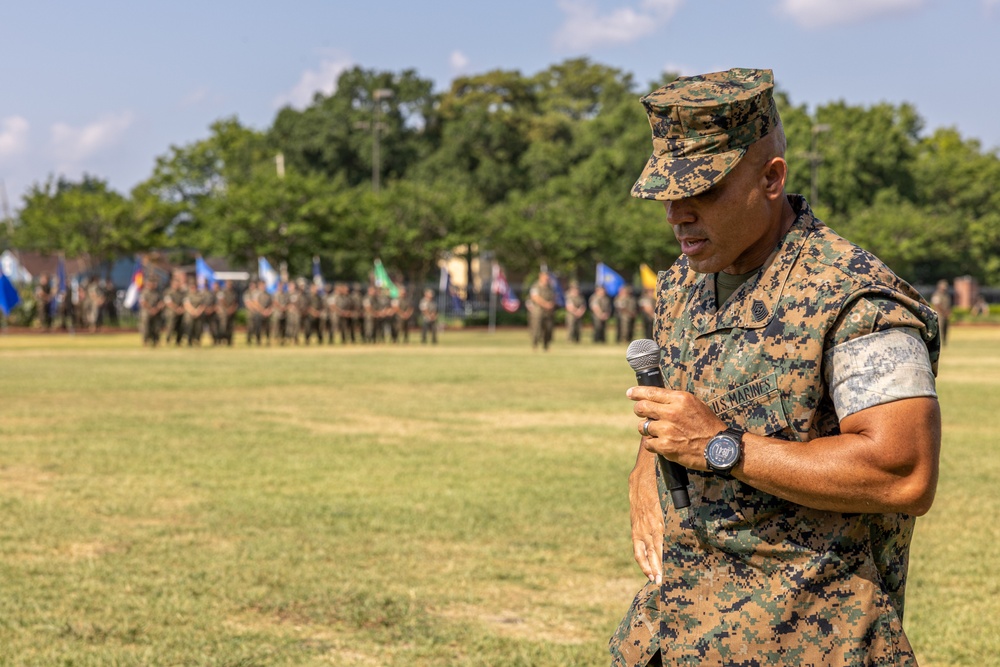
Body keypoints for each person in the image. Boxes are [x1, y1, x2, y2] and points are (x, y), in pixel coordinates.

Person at [609, 68, 941, 667]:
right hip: (670, 632)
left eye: (703, 190)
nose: (677, 214)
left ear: (771, 178)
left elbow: (904, 472)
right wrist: (644, 466)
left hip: (807, 638)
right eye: (667, 192)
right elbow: (682, 404)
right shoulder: (686, 280)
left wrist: (723, 447)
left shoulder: (855, 300)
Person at [527, 271, 557, 350]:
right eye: (545, 277)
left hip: (549, 312)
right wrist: (546, 304)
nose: (547, 279)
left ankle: (546, 345)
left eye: (548, 277)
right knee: (536, 328)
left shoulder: (550, 287)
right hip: (538, 311)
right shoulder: (535, 286)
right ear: (540, 277)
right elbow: (535, 297)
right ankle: (535, 344)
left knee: (548, 328)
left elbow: (554, 296)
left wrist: (552, 304)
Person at [930, 279, 952, 345]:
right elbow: (936, 305)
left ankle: (944, 342)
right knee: (939, 329)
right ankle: (938, 343)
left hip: (945, 315)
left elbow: (948, 305)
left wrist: (948, 312)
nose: (945, 288)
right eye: (943, 286)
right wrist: (943, 312)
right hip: (939, 315)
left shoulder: (947, 295)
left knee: (945, 329)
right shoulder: (936, 294)